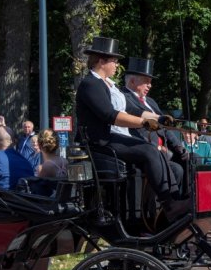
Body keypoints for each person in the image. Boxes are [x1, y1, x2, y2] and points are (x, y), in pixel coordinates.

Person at [75, 36, 187, 220]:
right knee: (150, 150)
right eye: (114, 61)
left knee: (164, 160)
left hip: (111, 139)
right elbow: (110, 115)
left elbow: (133, 109)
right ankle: (170, 204)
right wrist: (143, 123)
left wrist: (159, 118)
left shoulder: (111, 86)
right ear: (102, 61)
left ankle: (169, 204)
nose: (117, 65)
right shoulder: (90, 84)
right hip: (99, 142)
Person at [120, 56, 186, 185]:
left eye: (150, 82)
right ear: (133, 81)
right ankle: (164, 203)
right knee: (176, 170)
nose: (150, 85)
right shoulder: (123, 98)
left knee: (191, 160)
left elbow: (165, 127)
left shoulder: (151, 102)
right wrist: (156, 147)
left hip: (165, 151)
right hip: (147, 150)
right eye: (146, 81)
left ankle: (187, 201)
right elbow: (130, 128)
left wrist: (178, 145)